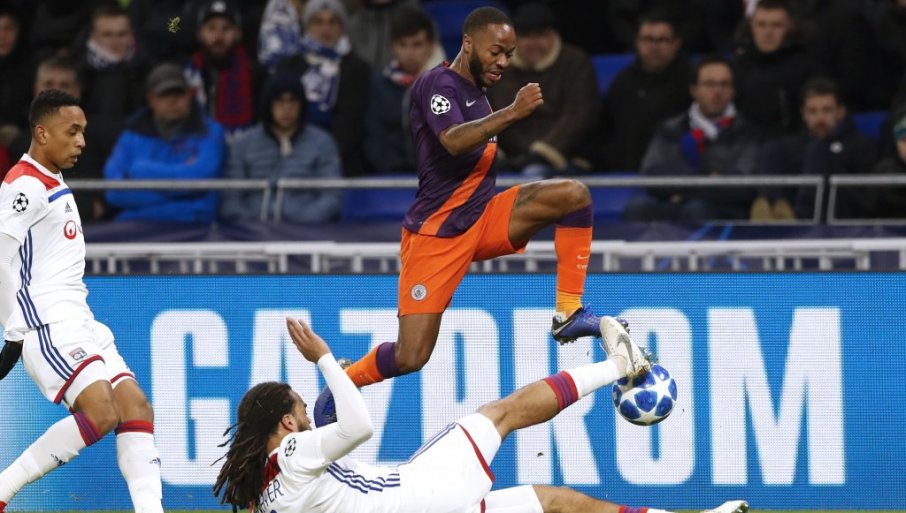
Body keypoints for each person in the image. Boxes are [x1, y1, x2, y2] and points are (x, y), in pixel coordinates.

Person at [315, 7, 621, 425]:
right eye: (496, 51)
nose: (503, 62)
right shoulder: (437, 84)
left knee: (573, 195)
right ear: (468, 43)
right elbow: (453, 141)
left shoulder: (477, 90)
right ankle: (346, 379)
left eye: (509, 54)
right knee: (411, 356)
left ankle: (568, 313)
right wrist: (512, 112)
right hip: (438, 235)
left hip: (483, 217)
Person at [214, 317, 746, 513]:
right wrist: (325, 360)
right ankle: (618, 364)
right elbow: (359, 427)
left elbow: (335, 433)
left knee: (552, 502)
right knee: (503, 413)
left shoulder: (263, 496)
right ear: (285, 424)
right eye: (300, 410)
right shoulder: (292, 452)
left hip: (424, 506)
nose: (307, 418)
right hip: (421, 490)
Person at [0, 90, 163, 513]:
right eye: (72, 132)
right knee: (101, 413)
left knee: (135, 406)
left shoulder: (51, 180)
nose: (81, 142)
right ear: (42, 133)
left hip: (81, 319)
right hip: (49, 323)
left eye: (83, 132)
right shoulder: (26, 185)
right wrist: (13, 329)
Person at [623, 56, 760, 222]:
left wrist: (684, 191)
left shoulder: (747, 131)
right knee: (637, 208)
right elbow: (652, 175)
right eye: (709, 84)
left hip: (722, 208)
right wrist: (707, 178)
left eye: (724, 85)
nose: (717, 92)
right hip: (673, 202)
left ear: (733, 91)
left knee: (696, 209)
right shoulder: (671, 129)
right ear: (694, 90)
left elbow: (743, 185)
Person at [485, 2, 599, 178]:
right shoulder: (500, 69)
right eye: (526, 37)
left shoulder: (575, 63)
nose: (533, 44)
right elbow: (493, 116)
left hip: (564, 158)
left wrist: (542, 153)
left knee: (533, 174)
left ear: (553, 36)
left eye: (540, 36)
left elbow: (578, 118)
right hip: (512, 158)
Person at [104, 62, 226, 222]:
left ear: (189, 96)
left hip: (195, 227)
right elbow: (115, 194)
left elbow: (200, 182)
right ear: (150, 99)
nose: (172, 101)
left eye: (179, 93)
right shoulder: (131, 135)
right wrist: (183, 195)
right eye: (164, 94)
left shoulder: (211, 132)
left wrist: (141, 170)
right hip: (137, 228)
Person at [221, 71, 343, 223]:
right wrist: (253, 224)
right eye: (279, 101)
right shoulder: (243, 144)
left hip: (307, 230)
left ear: (302, 105)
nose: (286, 108)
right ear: (268, 104)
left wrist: (302, 224)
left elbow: (332, 196)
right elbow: (230, 198)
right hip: (253, 229)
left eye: (293, 101)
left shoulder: (322, 142)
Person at [8, 56, 119, 222]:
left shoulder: (105, 133)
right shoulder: (21, 142)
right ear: (36, 89)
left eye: (64, 85)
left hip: (96, 226)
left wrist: (96, 207)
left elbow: (116, 186)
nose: (55, 92)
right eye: (48, 84)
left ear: (77, 91)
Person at [751, 77, 877, 222]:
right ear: (803, 114)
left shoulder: (861, 146)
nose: (820, 118)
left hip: (840, 214)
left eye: (827, 110)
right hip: (792, 206)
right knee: (772, 150)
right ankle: (771, 212)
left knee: (818, 151)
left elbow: (866, 196)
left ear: (840, 112)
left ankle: (801, 221)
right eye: (812, 111)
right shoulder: (792, 146)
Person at [275, 0, 372, 177]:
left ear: (342, 27)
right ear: (307, 26)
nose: (325, 29)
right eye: (318, 22)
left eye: (333, 22)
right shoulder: (289, 67)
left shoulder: (357, 69)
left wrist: (323, 157)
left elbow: (351, 125)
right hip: (292, 158)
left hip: (342, 164)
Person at [593, 10, 693, 171]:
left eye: (662, 40)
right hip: (623, 170)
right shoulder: (624, 80)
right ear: (637, 42)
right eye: (647, 39)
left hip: (674, 171)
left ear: (676, 43)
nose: (654, 46)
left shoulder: (691, 81)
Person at [363, 6, 444, 173]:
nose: (409, 53)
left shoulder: (450, 83)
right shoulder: (380, 85)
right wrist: (394, 169)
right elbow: (375, 137)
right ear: (393, 47)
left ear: (431, 45)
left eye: (417, 45)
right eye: (403, 45)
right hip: (391, 175)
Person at [731, 0, 822, 137]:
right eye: (761, 25)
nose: (768, 32)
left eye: (776, 25)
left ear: (790, 28)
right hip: (742, 141)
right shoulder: (737, 67)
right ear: (750, 27)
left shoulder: (808, 70)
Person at [185, 0, 261, 134]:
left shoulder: (256, 74)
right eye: (211, 28)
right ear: (199, 33)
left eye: (226, 29)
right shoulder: (185, 74)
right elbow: (172, 25)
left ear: (238, 34)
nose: (218, 36)